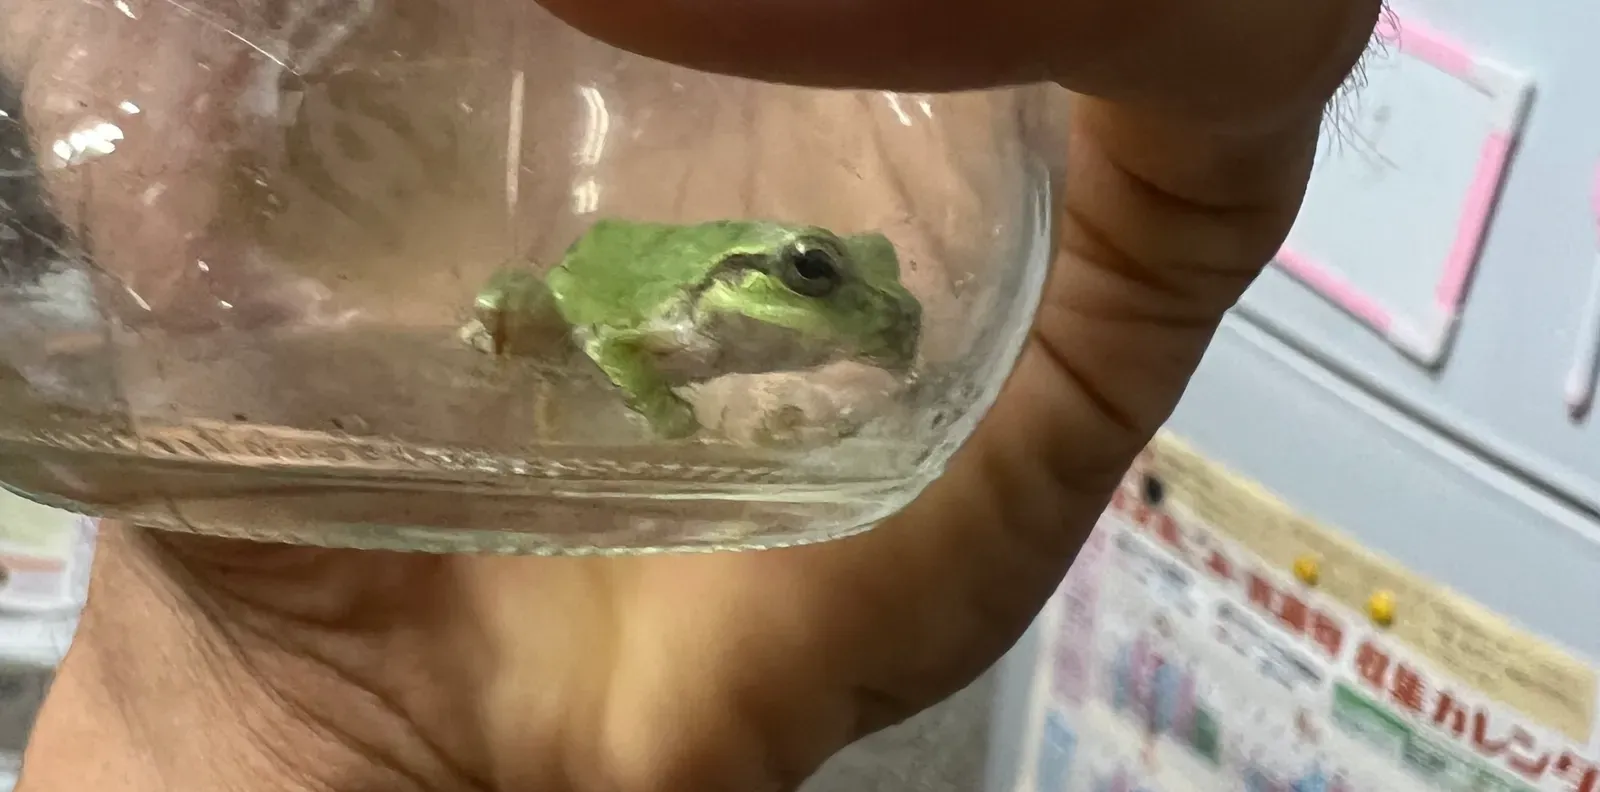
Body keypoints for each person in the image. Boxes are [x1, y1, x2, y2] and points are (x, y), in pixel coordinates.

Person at [2, 0, 1383, 789]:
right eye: (796, 274)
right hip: (572, 311)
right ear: (741, 278)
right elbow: (619, 347)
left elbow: (869, 307)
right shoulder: (662, 302)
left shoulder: (857, 271)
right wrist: (273, 706)